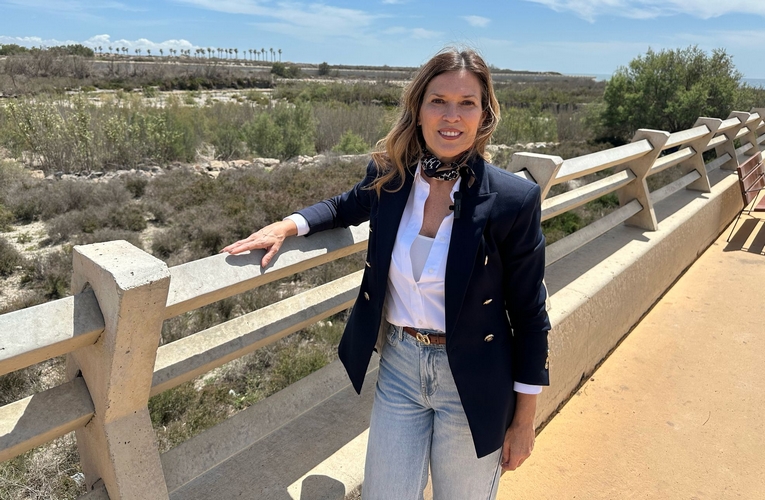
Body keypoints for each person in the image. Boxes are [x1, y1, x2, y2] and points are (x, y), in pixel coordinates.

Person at [222, 47, 550, 500]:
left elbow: (531, 316)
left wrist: (524, 420)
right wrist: (288, 225)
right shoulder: (390, 177)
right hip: (400, 366)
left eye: (467, 103)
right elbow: (343, 207)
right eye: (438, 101)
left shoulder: (514, 200)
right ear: (418, 108)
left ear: (484, 115)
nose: (451, 116)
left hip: (476, 377)